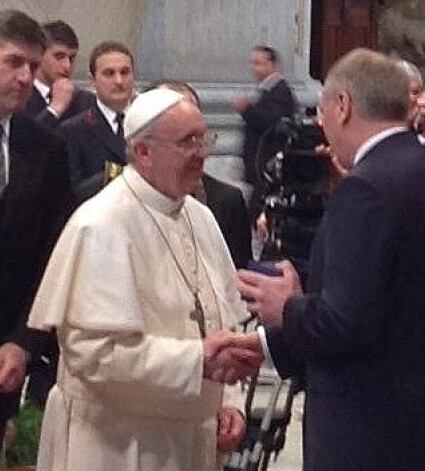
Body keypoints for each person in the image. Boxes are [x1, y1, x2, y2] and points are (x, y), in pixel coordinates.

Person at [235, 48, 425, 470]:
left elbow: (346, 322)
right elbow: (399, 306)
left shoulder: (366, 189)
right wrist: (264, 344)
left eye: (323, 111)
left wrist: (286, 308)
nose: (321, 124)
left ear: (343, 105)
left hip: (372, 437)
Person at [27, 89, 263, 471]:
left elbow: (219, 324)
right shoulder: (101, 224)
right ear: (143, 152)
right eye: (188, 141)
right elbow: (95, 356)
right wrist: (197, 360)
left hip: (187, 439)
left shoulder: (199, 218)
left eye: (204, 138)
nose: (203, 152)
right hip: (117, 445)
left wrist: (227, 400)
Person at [0, 9, 73, 442]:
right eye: (13, 63)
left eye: (32, 65)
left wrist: (23, 342)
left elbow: (51, 258)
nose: (26, 77)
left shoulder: (46, 149)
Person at [144, 79, 253, 269]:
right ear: (145, 148)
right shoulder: (105, 211)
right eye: (186, 139)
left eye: (200, 137)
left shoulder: (226, 202)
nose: (202, 152)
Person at [232, 45, 296, 219]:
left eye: (259, 63)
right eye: (252, 63)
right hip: (258, 168)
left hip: (266, 168)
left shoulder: (280, 92)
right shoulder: (266, 91)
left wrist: (248, 110)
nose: (254, 68)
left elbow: (271, 123)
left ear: (272, 65)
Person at [61, 40, 134, 188]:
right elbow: (72, 192)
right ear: (92, 81)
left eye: (124, 72)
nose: (119, 81)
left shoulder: (151, 122)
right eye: (109, 73)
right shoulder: (73, 131)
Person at [23, 20, 94, 128]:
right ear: (39, 55)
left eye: (72, 58)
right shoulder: (20, 96)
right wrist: (54, 110)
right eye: (59, 57)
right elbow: (20, 140)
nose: (67, 66)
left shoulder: (85, 100)